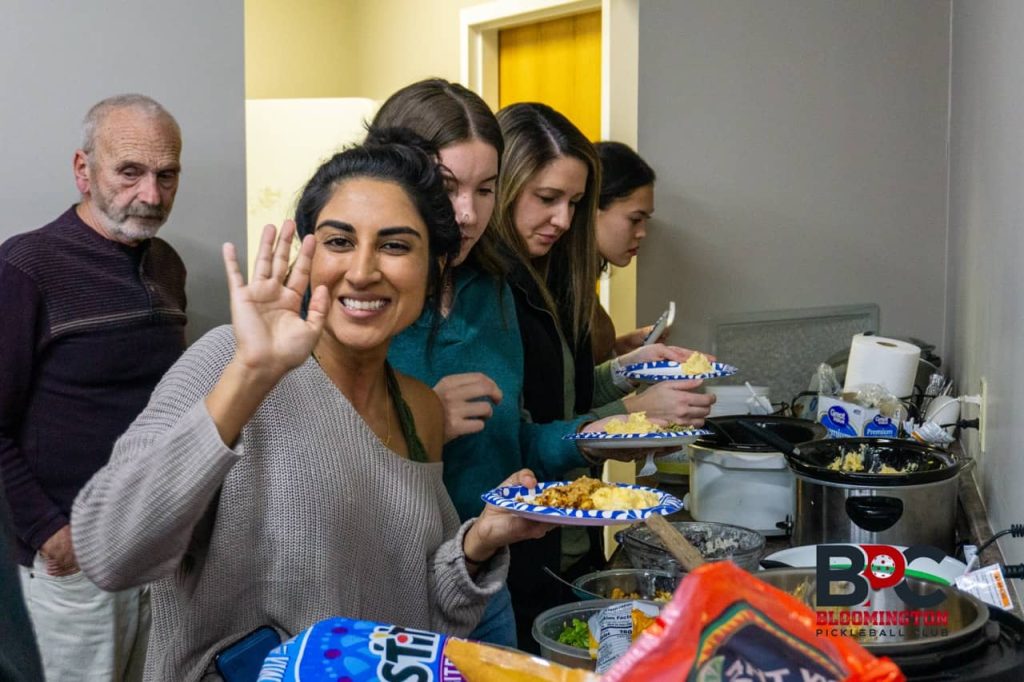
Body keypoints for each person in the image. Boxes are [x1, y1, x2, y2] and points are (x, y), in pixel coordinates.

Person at [71, 131, 551, 681]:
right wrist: (250, 377)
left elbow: (415, 622)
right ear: (307, 250)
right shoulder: (231, 360)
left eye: (395, 245)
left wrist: (478, 542)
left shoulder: (418, 408)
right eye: (339, 241)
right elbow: (110, 551)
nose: (363, 270)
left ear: (436, 266)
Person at [379, 81, 654, 649]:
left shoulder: (494, 288)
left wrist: (588, 436)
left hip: (489, 579)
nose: (467, 213)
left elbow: (510, 444)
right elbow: (313, 473)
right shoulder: (357, 298)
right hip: (396, 592)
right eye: (448, 186)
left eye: (485, 189)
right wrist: (423, 417)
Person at [490, 102, 714, 646]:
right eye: (548, 199)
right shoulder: (492, 296)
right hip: (516, 551)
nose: (564, 221)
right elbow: (521, 438)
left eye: (573, 203)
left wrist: (621, 370)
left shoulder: (550, 281)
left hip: (567, 532)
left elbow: (563, 391)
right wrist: (628, 415)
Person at [0, 93, 186, 681]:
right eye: (129, 172)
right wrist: (47, 534)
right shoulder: (25, 266)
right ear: (84, 170)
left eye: (166, 175)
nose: (151, 196)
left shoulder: (168, 264)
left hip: (157, 546)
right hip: (71, 561)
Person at [591, 141, 658, 362]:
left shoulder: (583, 279)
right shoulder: (551, 283)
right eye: (634, 219)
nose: (642, 233)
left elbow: (581, 373)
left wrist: (618, 350)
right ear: (593, 209)